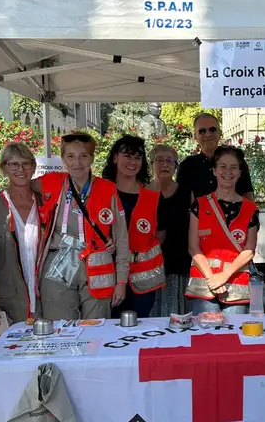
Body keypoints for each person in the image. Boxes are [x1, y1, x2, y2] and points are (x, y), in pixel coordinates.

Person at [36, 133, 130, 320]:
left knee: (96, 329)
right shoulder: (50, 182)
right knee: (60, 326)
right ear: (62, 159)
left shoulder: (107, 188)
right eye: (70, 156)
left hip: (98, 261)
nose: (76, 162)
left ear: (92, 158)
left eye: (83, 156)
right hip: (60, 258)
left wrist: (121, 281)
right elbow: (19, 188)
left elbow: (121, 238)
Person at [186, 146, 260, 314]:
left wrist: (224, 276)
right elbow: (193, 247)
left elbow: (249, 250)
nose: (228, 172)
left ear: (240, 172)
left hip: (236, 284)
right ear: (214, 170)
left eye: (234, 167)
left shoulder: (250, 209)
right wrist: (212, 278)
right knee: (205, 335)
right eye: (223, 167)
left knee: (234, 335)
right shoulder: (200, 205)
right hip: (205, 284)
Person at [0, 143, 42, 327]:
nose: (20, 170)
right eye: (13, 164)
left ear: (33, 167)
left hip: (46, 298)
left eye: (26, 164)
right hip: (8, 298)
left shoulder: (46, 201)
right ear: (4, 169)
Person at [102, 135, 165, 318]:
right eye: (127, 156)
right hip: (108, 276)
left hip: (142, 282)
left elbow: (160, 234)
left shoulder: (152, 196)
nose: (132, 162)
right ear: (115, 157)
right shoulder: (101, 192)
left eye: (137, 157)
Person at [176, 113, 255, 202]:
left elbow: (248, 196)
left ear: (220, 133)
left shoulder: (236, 161)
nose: (208, 134)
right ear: (195, 136)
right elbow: (182, 203)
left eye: (212, 129)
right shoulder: (187, 166)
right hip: (199, 215)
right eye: (202, 131)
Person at [150, 144, 189, 317]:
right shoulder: (142, 191)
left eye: (169, 160)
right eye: (159, 160)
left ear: (175, 166)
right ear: (151, 164)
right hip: (150, 263)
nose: (165, 164)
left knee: (177, 314)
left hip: (179, 261)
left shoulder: (187, 192)